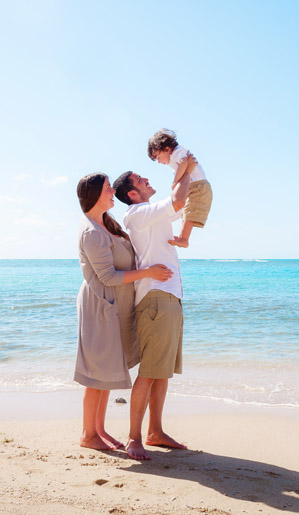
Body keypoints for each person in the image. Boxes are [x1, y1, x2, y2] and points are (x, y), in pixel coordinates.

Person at [74, 173, 173, 451]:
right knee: (97, 372)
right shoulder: (92, 232)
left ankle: (99, 430)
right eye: (108, 189)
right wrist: (149, 272)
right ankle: (87, 434)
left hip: (114, 304)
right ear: (95, 195)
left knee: (105, 370)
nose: (112, 192)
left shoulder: (106, 223)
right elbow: (107, 277)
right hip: (100, 304)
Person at [112, 152, 198, 460]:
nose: (146, 179)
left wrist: (186, 173)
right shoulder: (137, 213)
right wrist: (185, 168)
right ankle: (134, 438)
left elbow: (181, 204)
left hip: (169, 295)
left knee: (162, 372)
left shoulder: (150, 213)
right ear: (132, 194)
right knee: (149, 372)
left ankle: (155, 431)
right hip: (155, 298)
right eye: (139, 179)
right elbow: (176, 201)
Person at [146, 129, 212, 248]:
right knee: (184, 212)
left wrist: (176, 181)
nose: (159, 162)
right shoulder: (174, 156)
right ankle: (174, 234)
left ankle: (184, 238)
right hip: (194, 187)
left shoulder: (177, 152)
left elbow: (184, 162)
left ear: (166, 149)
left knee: (189, 212)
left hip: (198, 186)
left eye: (158, 157)